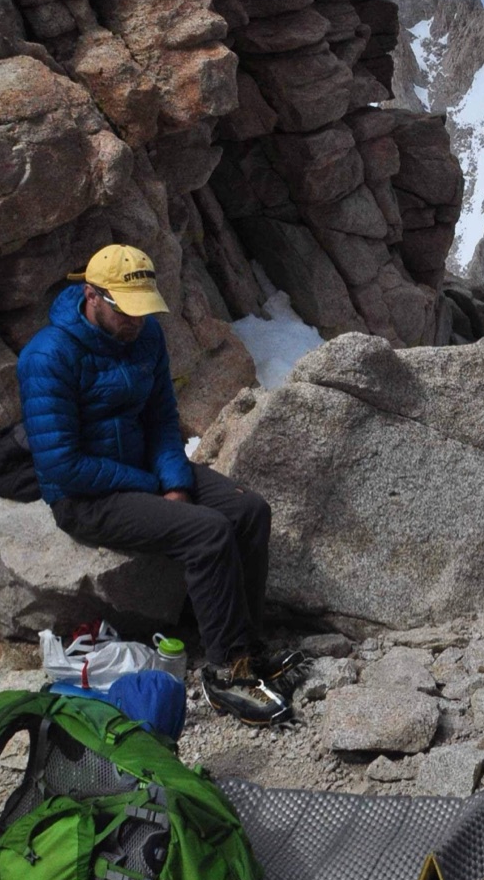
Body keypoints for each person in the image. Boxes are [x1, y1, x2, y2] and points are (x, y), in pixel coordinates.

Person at [17, 244, 297, 726]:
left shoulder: (145, 337)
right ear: (92, 296)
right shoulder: (48, 356)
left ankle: (250, 648)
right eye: (127, 309)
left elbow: (163, 419)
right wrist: (154, 485)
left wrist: (174, 480)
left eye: (144, 307)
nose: (138, 320)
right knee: (206, 532)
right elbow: (63, 466)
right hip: (86, 497)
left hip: (144, 471)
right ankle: (226, 670)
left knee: (250, 510)